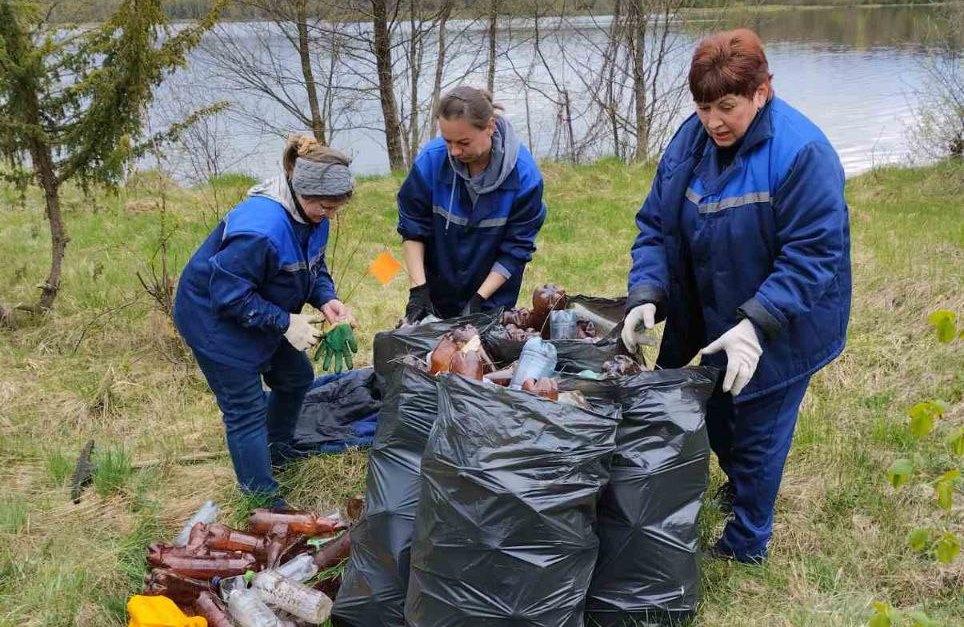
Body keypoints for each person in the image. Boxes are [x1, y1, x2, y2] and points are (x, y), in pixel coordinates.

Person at [621, 29, 852, 563]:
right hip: (708, 306)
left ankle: (747, 541)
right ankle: (739, 482)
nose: (714, 121)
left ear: (762, 92)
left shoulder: (803, 153)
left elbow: (813, 257)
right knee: (714, 411)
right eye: (704, 108)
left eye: (727, 106)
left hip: (782, 322)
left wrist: (757, 323)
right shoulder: (691, 140)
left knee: (760, 427)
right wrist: (648, 294)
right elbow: (656, 225)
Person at [173, 134, 357, 505]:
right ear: (302, 192)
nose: (330, 215)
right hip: (214, 321)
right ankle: (260, 497)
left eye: (335, 208)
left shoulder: (313, 215)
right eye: (325, 207)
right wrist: (286, 323)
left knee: (297, 376)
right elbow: (228, 297)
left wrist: (327, 299)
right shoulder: (260, 230)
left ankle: (277, 448)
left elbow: (312, 265)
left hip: (261, 309)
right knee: (245, 409)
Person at [397, 85, 547, 321]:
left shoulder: (525, 178)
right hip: (437, 290)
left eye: (464, 142)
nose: (454, 151)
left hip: (492, 298)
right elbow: (412, 227)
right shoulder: (431, 161)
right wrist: (418, 291)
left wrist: (479, 299)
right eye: (448, 141)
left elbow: (516, 250)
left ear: (489, 126)